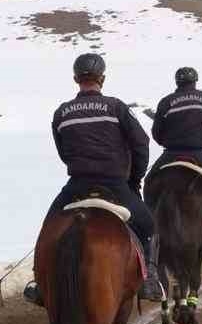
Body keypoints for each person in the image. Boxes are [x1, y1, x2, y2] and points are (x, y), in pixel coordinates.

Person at [24, 53, 164, 304]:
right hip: (114, 183)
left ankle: (40, 285)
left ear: (76, 78)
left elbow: (63, 150)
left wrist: (79, 166)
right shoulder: (117, 107)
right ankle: (150, 278)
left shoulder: (62, 112)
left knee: (48, 228)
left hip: (77, 184)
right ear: (103, 78)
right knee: (148, 225)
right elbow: (141, 143)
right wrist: (134, 179)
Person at [144, 66, 202, 230]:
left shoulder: (166, 101)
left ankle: (150, 227)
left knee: (148, 182)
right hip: (199, 153)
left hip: (171, 153)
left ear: (177, 82)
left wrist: (168, 142)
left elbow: (156, 133)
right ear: (195, 82)